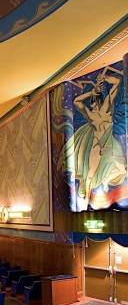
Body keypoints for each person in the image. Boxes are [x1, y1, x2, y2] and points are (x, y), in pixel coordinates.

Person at [57, 69, 126, 209]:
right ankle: (86, 203)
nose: (94, 104)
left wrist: (105, 77)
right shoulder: (90, 115)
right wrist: (91, 92)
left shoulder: (107, 108)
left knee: (122, 168)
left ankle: (110, 191)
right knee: (90, 176)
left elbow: (117, 83)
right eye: (92, 101)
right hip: (97, 146)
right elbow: (77, 102)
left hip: (111, 145)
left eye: (95, 100)